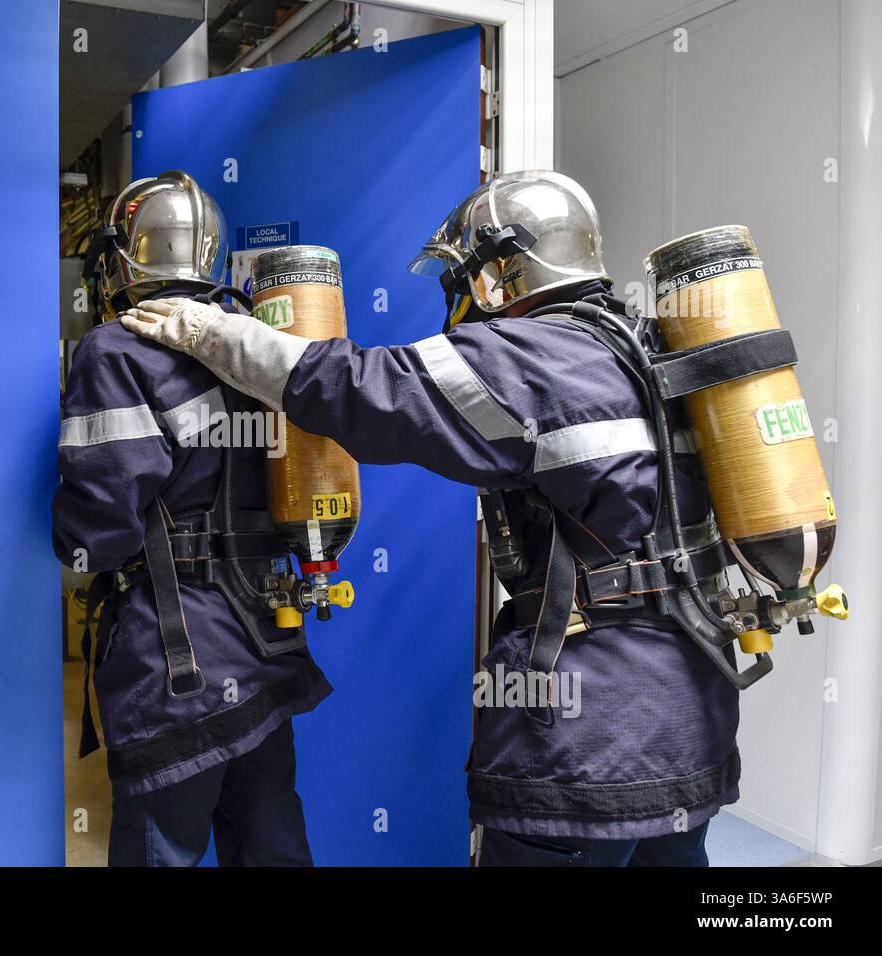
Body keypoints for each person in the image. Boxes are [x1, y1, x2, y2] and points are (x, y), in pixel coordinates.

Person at [120, 170, 740, 867]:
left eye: (460, 279)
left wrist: (211, 332)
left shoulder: (527, 356)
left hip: (591, 737)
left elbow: (359, 389)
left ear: (499, 271)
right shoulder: (646, 344)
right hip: (695, 707)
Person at [52, 170, 332, 867]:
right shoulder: (250, 339)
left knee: (160, 852)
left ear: (123, 258)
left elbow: (97, 532)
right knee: (271, 848)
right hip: (264, 643)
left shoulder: (114, 350)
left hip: (177, 664)